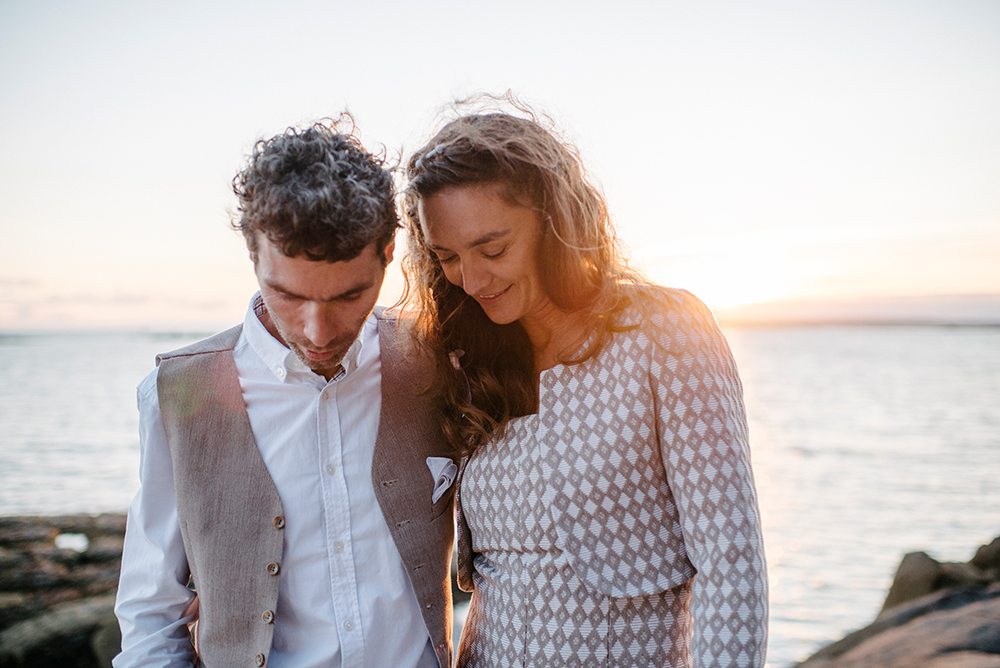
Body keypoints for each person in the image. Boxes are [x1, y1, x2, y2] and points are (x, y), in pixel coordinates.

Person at [401, 104, 768, 667]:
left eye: (493, 249)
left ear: (554, 222)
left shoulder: (663, 330)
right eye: (447, 257)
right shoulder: (462, 359)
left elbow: (729, 559)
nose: (472, 280)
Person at [114, 118, 457, 668]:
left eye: (349, 295)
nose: (318, 332)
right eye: (288, 295)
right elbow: (152, 612)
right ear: (252, 255)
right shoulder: (174, 393)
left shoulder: (436, 362)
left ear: (388, 253)